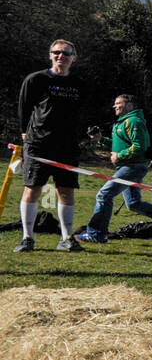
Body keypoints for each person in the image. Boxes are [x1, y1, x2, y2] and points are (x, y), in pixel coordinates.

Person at [75, 94, 152, 243]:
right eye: (115, 103)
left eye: (118, 103)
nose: (114, 106)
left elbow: (139, 147)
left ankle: (96, 234)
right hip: (128, 166)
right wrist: (100, 139)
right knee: (133, 204)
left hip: (133, 167)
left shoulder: (134, 121)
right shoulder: (122, 123)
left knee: (104, 195)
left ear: (130, 105)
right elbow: (119, 145)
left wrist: (119, 156)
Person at [14, 39, 86, 253]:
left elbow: (82, 113)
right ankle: (28, 237)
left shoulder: (79, 84)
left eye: (66, 54)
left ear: (73, 58)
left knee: (66, 191)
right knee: (33, 189)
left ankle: (66, 238)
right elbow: (23, 108)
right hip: (39, 145)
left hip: (68, 147)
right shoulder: (36, 79)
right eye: (56, 52)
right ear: (50, 55)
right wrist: (25, 135)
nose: (60, 56)